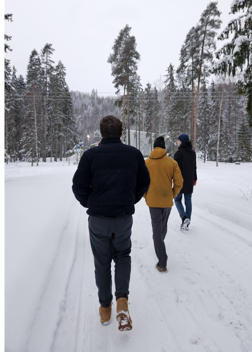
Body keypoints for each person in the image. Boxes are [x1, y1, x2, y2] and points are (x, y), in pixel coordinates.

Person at [72, 115, 150, 331]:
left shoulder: (90, 156)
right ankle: (122, 301)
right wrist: (129, 199)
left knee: (102, 262)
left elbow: (78, 185)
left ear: (101, 133)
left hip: (98, 219)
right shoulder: (133, 154)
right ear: (121, 132)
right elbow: (144, 182)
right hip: (123, 217)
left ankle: (105, 309)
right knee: (123, 256)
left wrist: (91, 202)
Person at [143, 136, 183, 273]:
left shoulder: (146, 163)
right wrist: (173, 194)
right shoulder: (172, 163)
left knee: (156, 230)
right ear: (164, 148)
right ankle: (160, 245)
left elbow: (140, 182)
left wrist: (146, 195)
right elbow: (179, 182)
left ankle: (162, 261)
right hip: (167, 201)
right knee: (162, 226)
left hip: (153, 202)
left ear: (154, 147)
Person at [173, 133, 197, 231]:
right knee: (188, 201)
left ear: (181, 141)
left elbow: (175, 169)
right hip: (190, 180)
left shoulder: (178, 154)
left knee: (177, 200)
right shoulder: (193, 153)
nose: (177, 142)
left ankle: (184, 218)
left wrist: (174, 180)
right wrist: (195, 178)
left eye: (178, 140)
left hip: (180, 182)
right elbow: (194, 167)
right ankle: (187, 223)